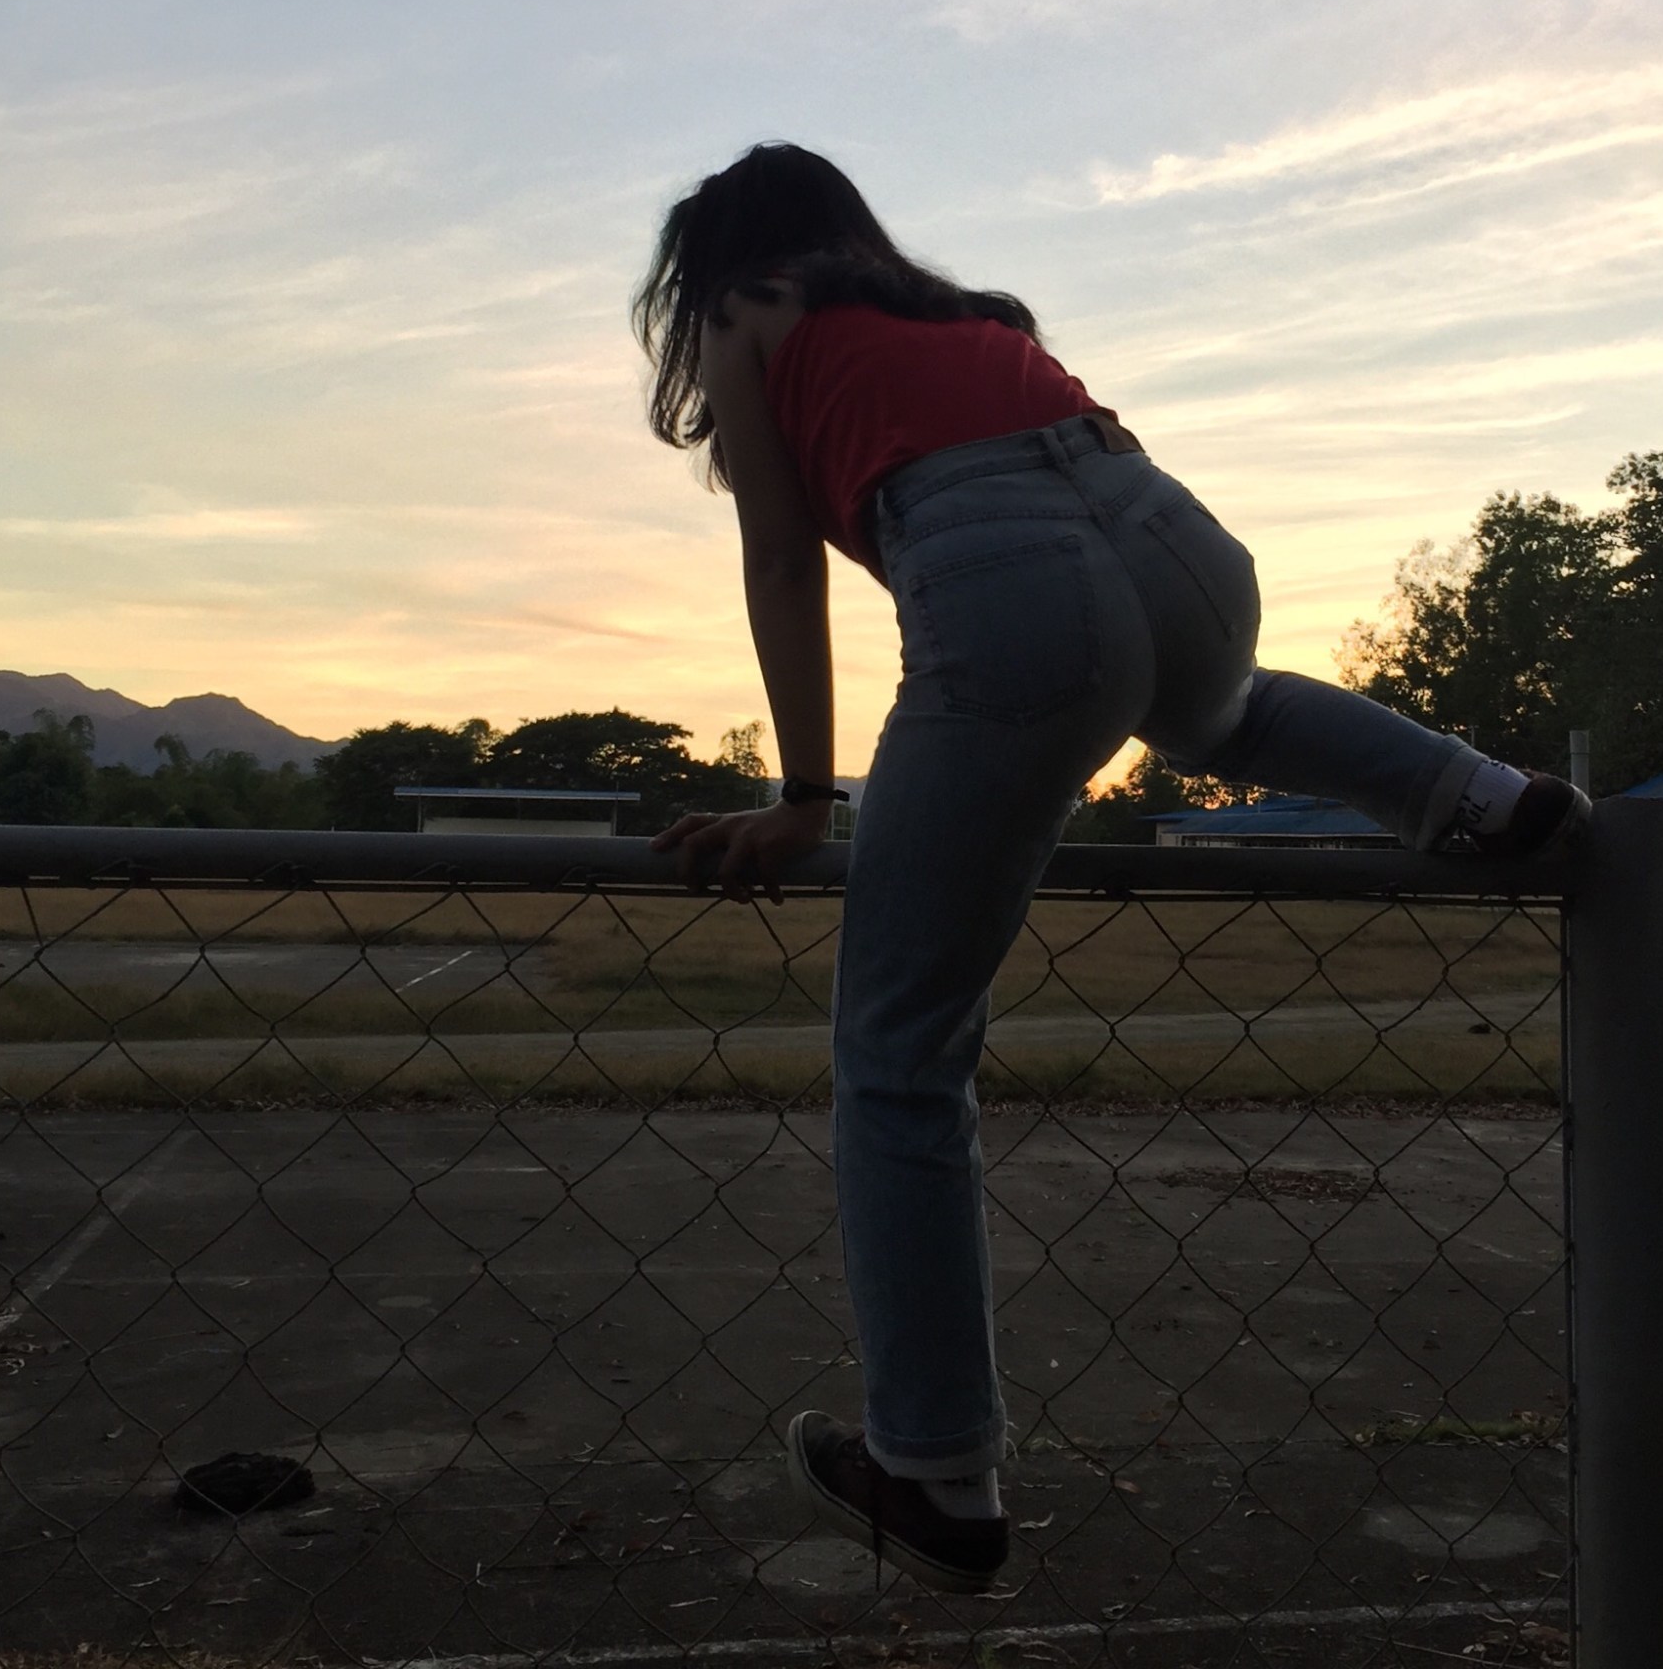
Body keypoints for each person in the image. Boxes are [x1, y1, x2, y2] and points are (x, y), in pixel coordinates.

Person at [634, 142, 1587, 1595]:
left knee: (898, 1051)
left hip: (1003, 566)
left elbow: (783, 557)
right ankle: (1488, 795)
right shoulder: (969, 313)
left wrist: (806, 798)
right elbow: (1106, 558)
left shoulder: (745, 310)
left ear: (715, 257)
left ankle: (936, 1470)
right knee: (1211, 704)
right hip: (1173, 535)